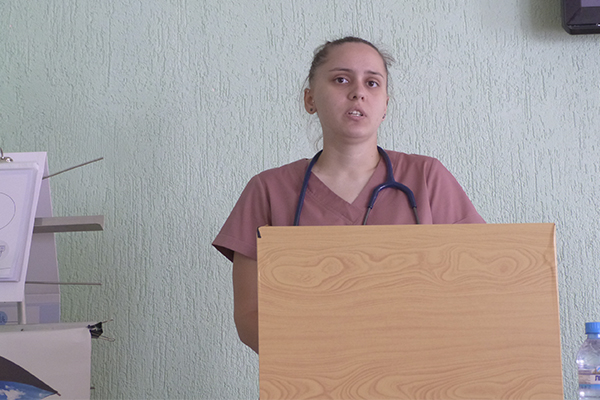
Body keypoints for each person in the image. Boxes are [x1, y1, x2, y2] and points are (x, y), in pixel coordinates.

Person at [212, 37, 485, 354]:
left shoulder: (427, 178)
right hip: (312, 374)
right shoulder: (268, 190)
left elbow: (481, 283)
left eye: (372, 83)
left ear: (385, 105)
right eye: (341, 79)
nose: (358, 92)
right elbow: (250, 315)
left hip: (419, 369)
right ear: (310, 99)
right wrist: (328, 359)